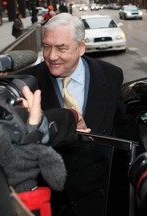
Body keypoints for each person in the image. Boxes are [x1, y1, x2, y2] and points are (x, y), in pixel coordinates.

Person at [17, 12, 126, 216]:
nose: (51, 56)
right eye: (47, 46)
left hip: (98, 196)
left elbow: (120, 129)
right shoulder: (27, 82)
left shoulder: (111, 75)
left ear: (81, 47)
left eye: (61, 48)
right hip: (53, 198)